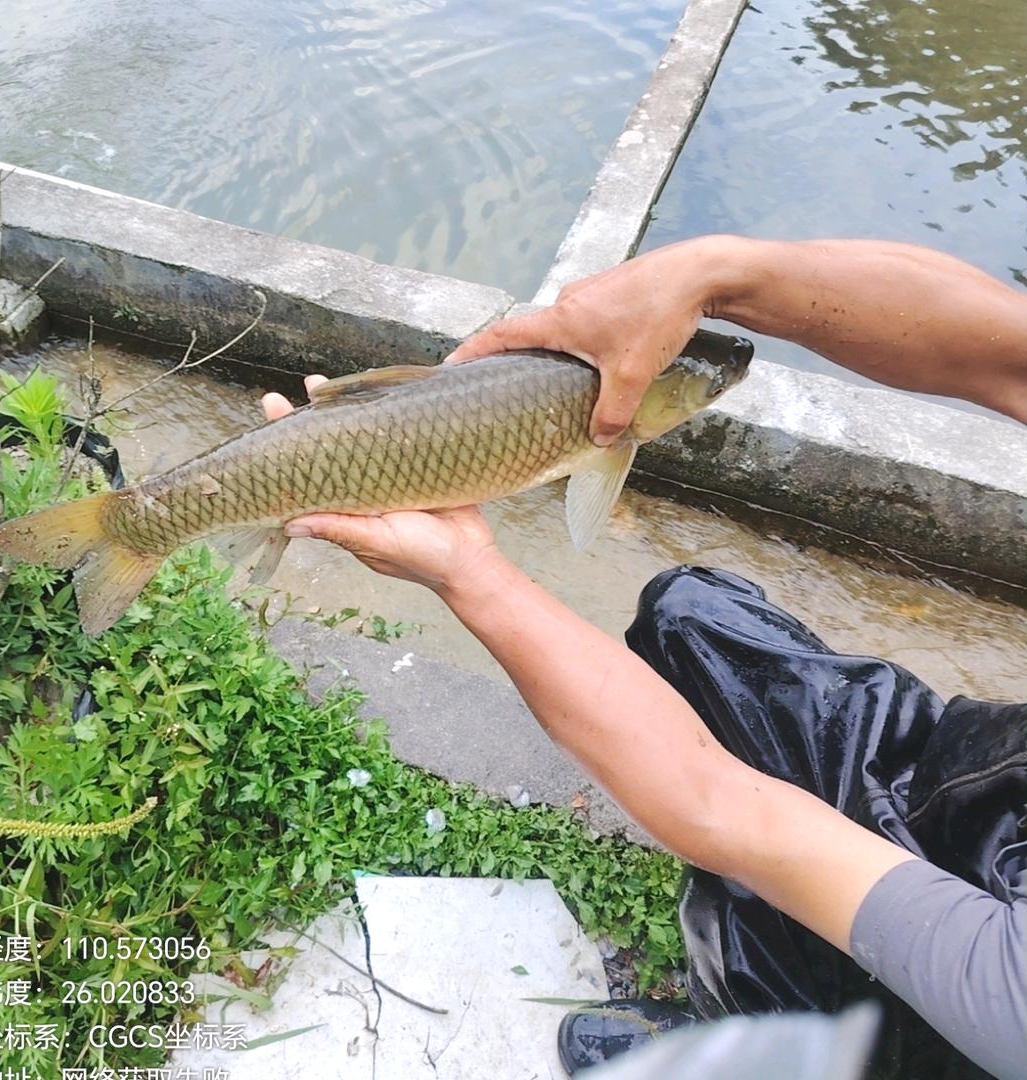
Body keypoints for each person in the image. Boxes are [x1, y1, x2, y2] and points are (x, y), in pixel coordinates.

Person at [261, 237, 1027, 1080]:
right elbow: (1007, 350)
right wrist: (711, 274)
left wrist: (468, 572)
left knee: (806, 942)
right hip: (984, 778)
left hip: (969, 1013)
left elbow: (720, 806)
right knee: (691, 618)